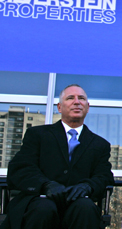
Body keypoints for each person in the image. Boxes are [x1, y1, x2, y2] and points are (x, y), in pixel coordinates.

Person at [3, 84, 114, 229]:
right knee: (44, 208)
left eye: (81, 98)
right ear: (60, 107)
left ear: (87, 107)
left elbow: (104, 176)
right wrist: (45, 185)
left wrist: (88, 186)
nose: (77, 102)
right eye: (70, 98)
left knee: (86, 208)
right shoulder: (37, 135)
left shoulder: (100, 144)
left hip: (77, 205)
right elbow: (21, 168)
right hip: (39, 201)